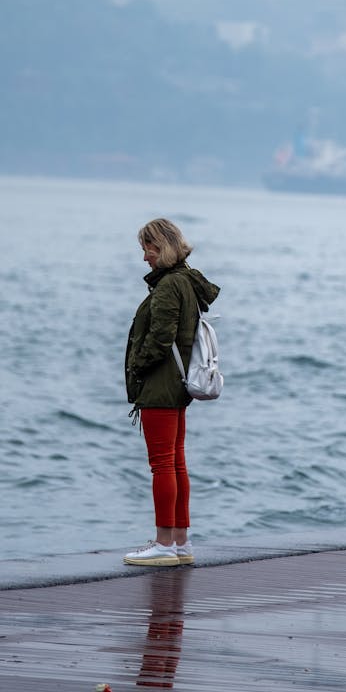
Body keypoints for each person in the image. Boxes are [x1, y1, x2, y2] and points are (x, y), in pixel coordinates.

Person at [124, 217, 220, 567]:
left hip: (162, 386)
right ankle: (180, 540)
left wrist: (138, 366)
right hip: (177, 387)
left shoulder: (168, 287)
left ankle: (164, 542)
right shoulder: (186, 282)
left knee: (162, 464)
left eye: (147, 249)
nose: (144, 257)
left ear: (160, 247)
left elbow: (160, 339)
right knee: (176, 462)